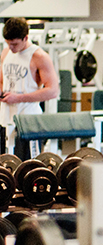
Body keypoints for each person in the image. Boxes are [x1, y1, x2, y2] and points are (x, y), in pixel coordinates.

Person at [0, 17, 59, 159]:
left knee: (25, 170)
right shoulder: (6, 52)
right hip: (5, 120)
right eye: (8, 43)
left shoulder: (39, 56)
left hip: (28, 123)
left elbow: (53, 90)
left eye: (14, 44)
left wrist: (18, 98)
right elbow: (2, 81)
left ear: (26, 37)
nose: (11, 47)